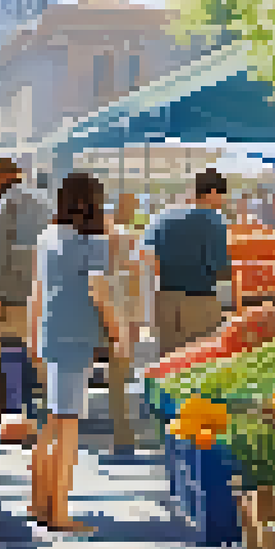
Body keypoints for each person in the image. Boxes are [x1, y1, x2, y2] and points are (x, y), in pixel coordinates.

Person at [30, 172, 118, 532]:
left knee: (51, 423)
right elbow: (99, 292)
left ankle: (39, 502)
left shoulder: (47, 236)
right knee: (67, 426)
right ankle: (59, 512)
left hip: (50, 334)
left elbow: (36, 290)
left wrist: (34, 336)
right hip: (76, 337)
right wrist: (116, 332)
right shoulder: (94, 242)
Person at [0, 157, 52, 444]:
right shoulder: (43, 201)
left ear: (2, 178)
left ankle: (13, 413)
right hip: (44, 290)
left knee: (9, 350)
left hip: (12, 292)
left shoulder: (5, 205)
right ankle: (46, 413)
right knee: (39, 352)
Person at [141, 170, 231, 356]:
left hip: (164, 301)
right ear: (213, 192)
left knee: (167, 365)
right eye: (223, 195)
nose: (223, 201)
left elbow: (145, 257)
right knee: (198, 367)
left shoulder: (161, 217)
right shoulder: (214, 220)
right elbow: (221, 268)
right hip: (199, 302)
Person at [105, 192, 146, 451]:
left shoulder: (90, 240)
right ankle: (122, 433)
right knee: (118, 377)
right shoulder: (129, 240)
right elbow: (136, 282)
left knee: (115, 379)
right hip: (120, 313)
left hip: (97, 315)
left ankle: (120, 433)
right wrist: (137, 319)